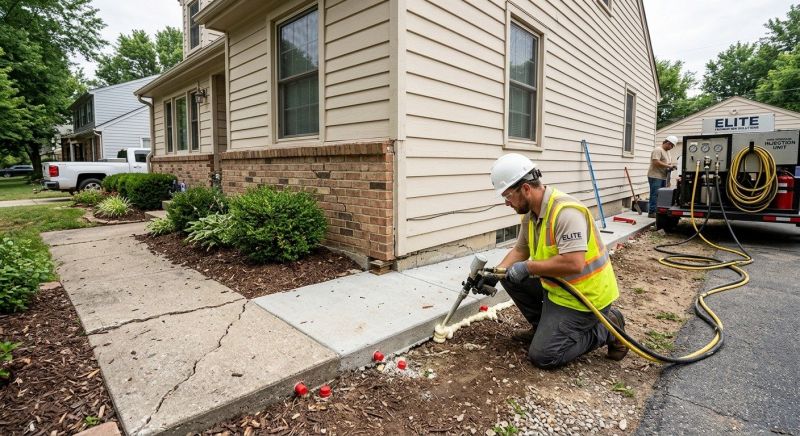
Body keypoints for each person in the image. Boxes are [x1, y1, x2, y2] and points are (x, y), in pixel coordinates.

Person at [489, 153, 628, 369]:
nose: (506, 203)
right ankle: (542, 328)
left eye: (508, 196)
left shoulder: (566, 213)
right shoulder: (531, 215)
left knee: (544, 356)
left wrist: (528, 267)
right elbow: (520, 250)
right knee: (509, 276)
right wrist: (494, 275)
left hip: (585, 298)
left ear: (526, 188)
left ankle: (609, 326)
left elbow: (574, 264)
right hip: (558, 290)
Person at [648, 135, 678, 218]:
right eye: (671, 146)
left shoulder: (667, 152)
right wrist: (668, 166)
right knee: (655, 194)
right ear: (668, 143)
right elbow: (655, 162)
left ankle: (657, 211)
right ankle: (651, 212)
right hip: (655, 176)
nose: (671, 148)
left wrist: (671, 166)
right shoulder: (658, 150)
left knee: (661, 195)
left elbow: (666, 163)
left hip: (663, 176)